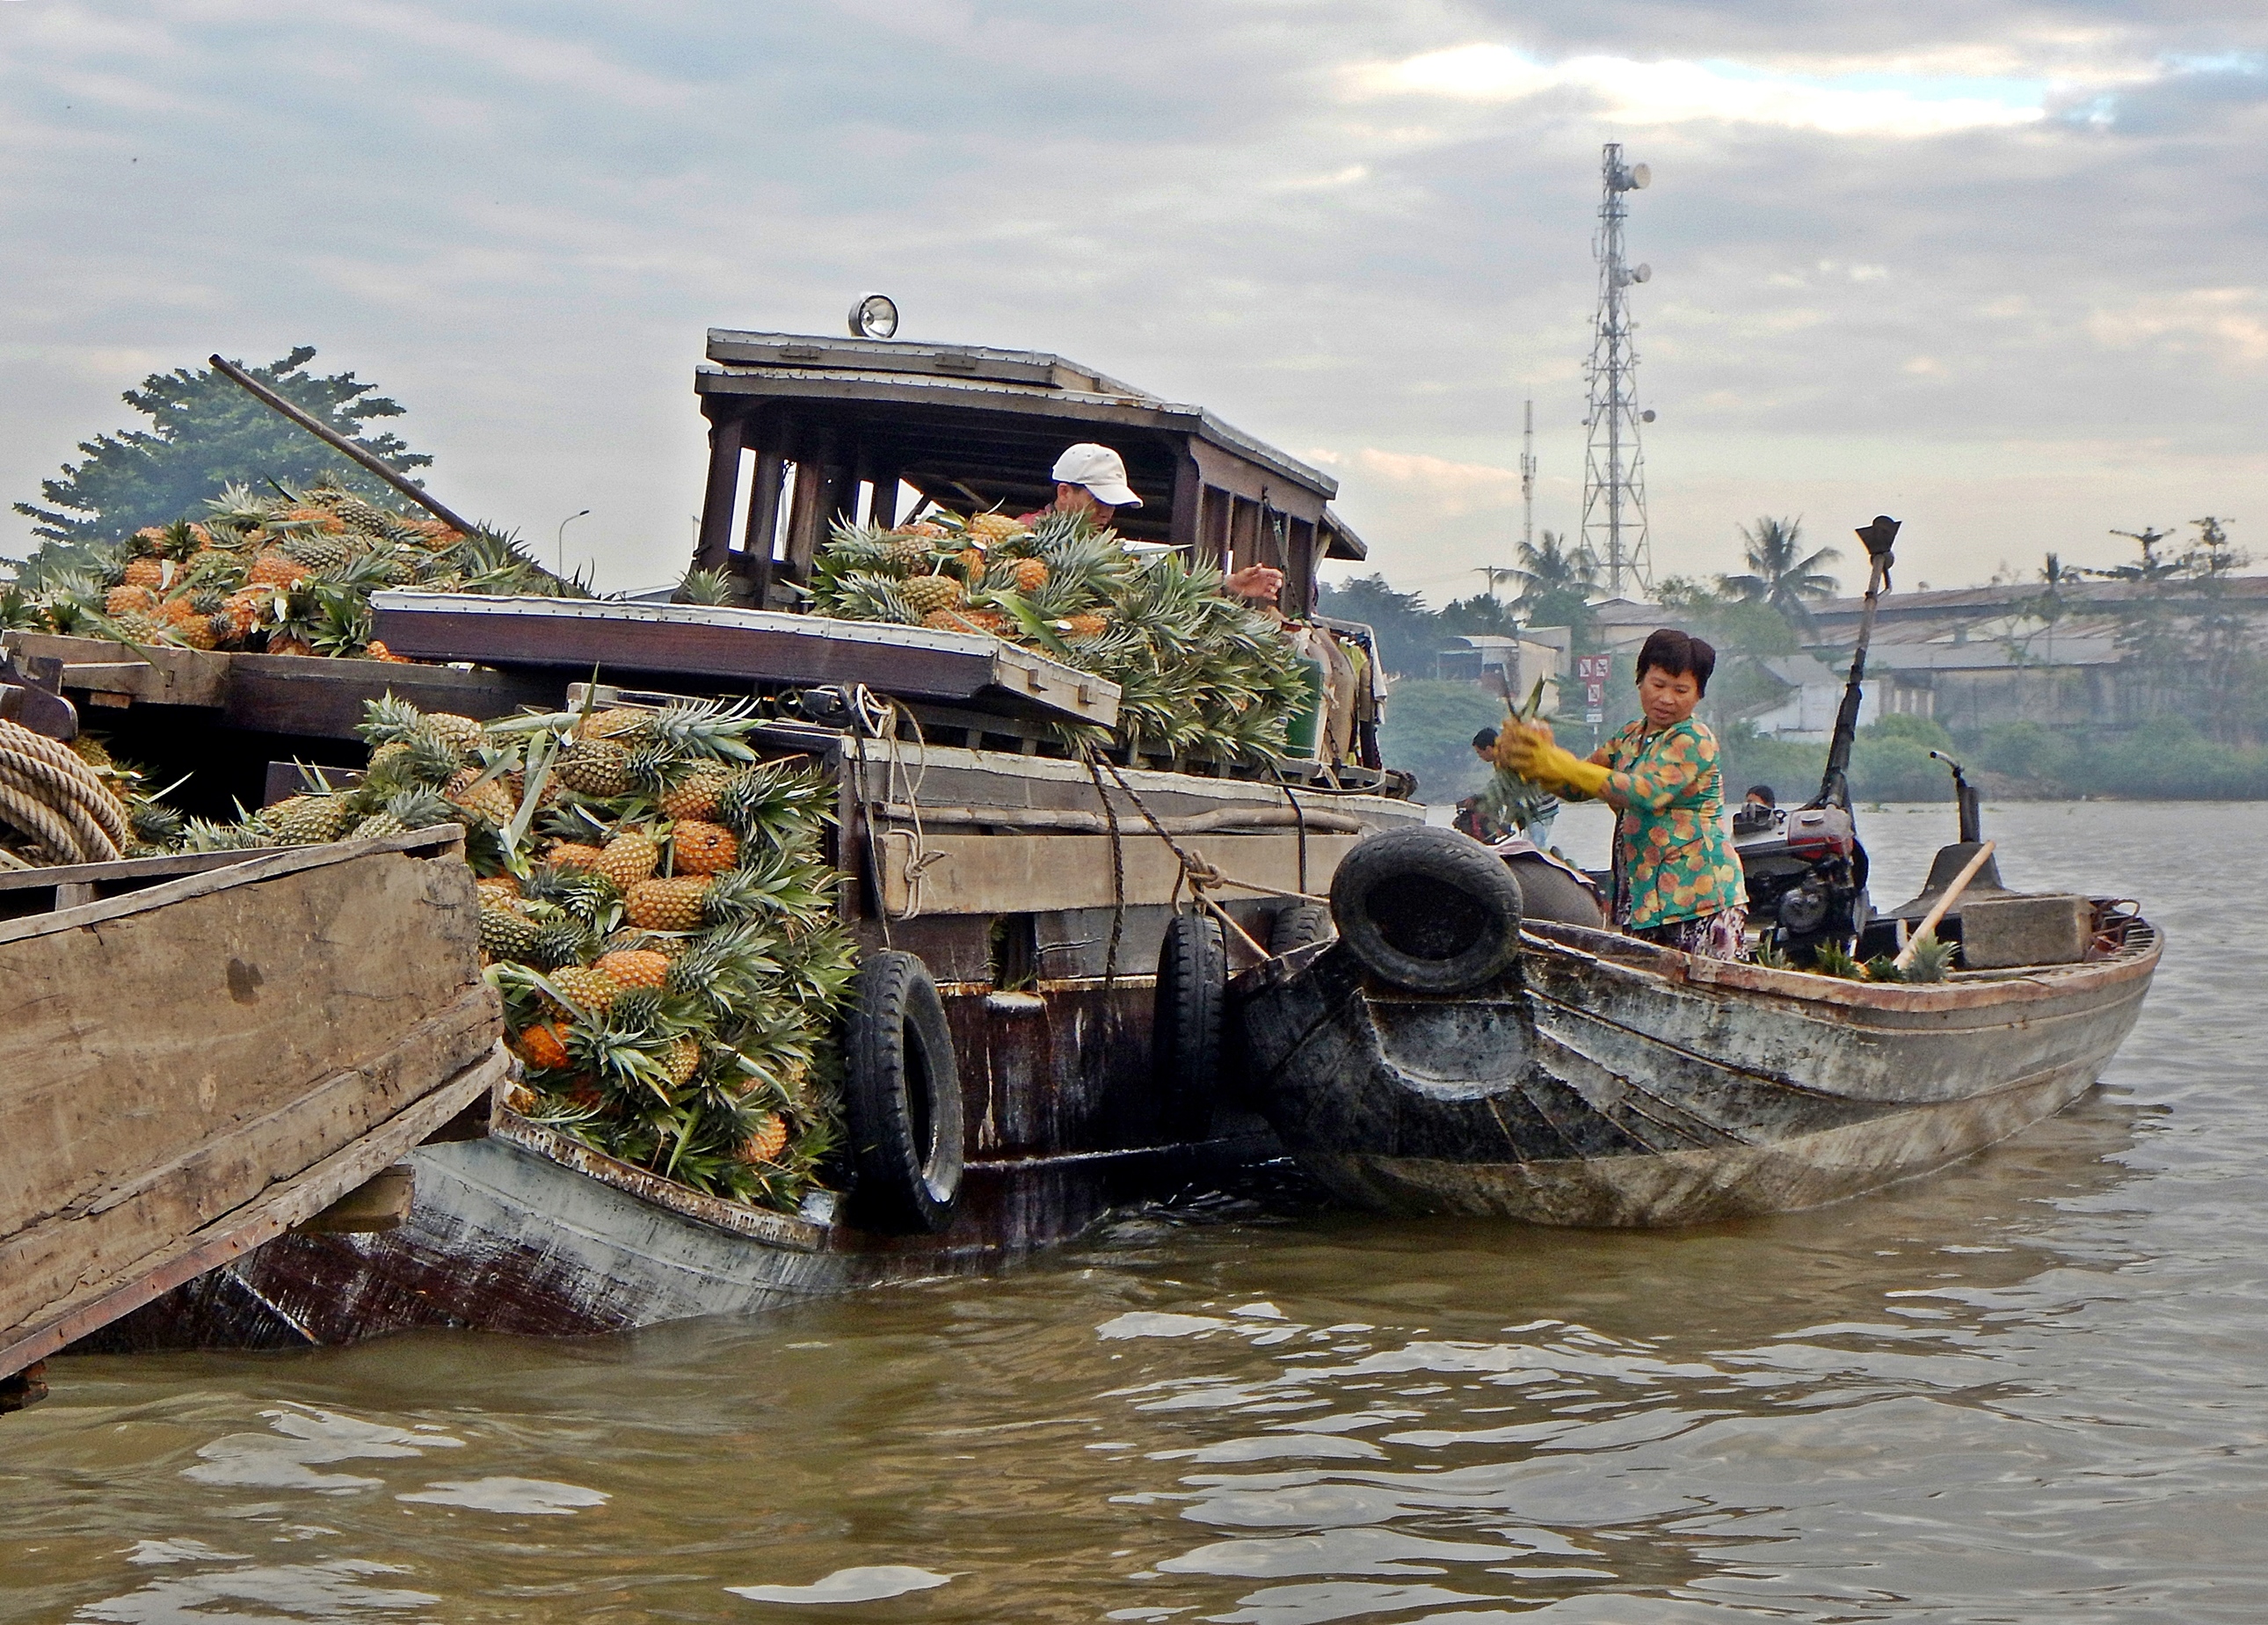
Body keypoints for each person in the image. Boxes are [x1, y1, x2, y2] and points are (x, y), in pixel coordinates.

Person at [1494, 629, 1746, 958]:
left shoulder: (1693, 739)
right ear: (1640, 680)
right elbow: (1576, 786)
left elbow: (1645, 792)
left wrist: (1560, 762)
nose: (1667, 698)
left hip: (1699, 899)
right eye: (1658, 685)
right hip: (1643, 901)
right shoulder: (1629, 736)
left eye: (1681, 690)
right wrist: (1538, 761)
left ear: (1698, 694)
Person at [1027, 442, 1284, 602]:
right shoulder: (1025, 534)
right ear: (1064, 492)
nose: (1107, 512)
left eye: (1112, 503)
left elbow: (1165, 581)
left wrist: (1232, 583)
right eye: (1098, 500)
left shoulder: (1109, 556)